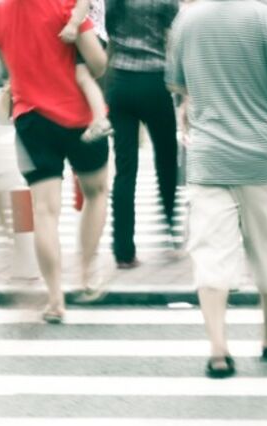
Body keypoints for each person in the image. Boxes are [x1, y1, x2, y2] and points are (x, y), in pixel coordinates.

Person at [166, 0, 267, 378]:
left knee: (211, 255)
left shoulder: (187, 19)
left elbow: (178, 83)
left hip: (210, 158)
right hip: (264, 156)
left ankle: (218, 349)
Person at [0, 0, 111, 323]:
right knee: (96, 192)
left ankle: (55, 298)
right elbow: (97, 64)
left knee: (44, 212)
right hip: (80, 117)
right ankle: (85, 274)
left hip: (32, 119)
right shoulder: (66, 6)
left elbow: (9, 71)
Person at [104, 0, 181, 269]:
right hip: (155, 81)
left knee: (125, 168)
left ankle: (123, 250)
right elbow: (174, 34)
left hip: (121, 82)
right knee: (167, 158)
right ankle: (171, 225)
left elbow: (110, 32)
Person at [61, 0, 113, 142]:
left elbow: (83, 3)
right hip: (95, 32)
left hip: (90, 32)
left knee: (82, 76)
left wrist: (72, 25)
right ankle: (97, 117)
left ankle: (99, 119)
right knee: (85, 77)